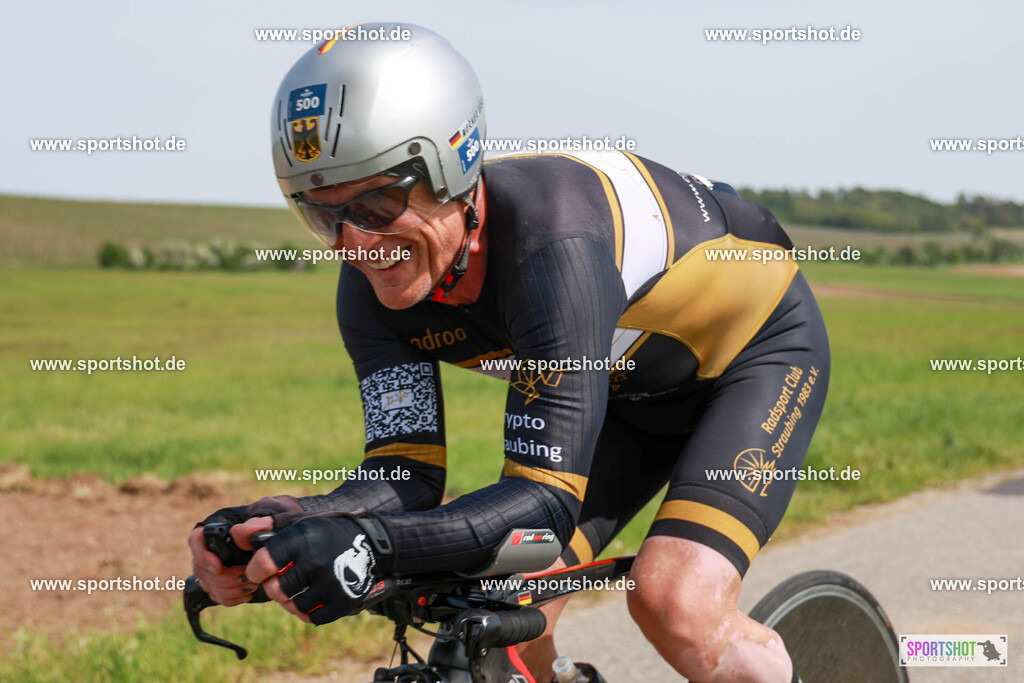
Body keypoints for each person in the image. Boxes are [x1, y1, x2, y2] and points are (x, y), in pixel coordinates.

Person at [188, 23, 828, 683]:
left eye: (376, 204)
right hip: (620, 393)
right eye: (321, 216)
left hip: (751, 358)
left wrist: (371, 548)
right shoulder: (370, 287)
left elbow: (544, 501)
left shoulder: (555, 249)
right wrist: (286, 522)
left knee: (673, 602)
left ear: (452, 165)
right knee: (501, 608)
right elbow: (405, 476)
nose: (354, 244)